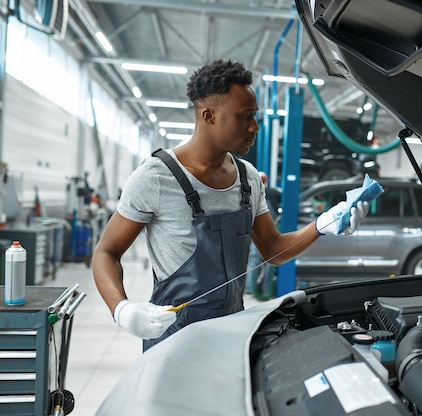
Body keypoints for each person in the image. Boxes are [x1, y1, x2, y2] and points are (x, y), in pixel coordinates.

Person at [92, 59, 369, 351]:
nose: (254, 126)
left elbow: (273, 250)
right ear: (208, 115)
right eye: (245, 116)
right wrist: (121, 309)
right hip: (172, 339)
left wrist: (322, 225)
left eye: (255, 115)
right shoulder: (155, 178)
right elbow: (106, 252)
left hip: (232, 335)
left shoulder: (248, 178)